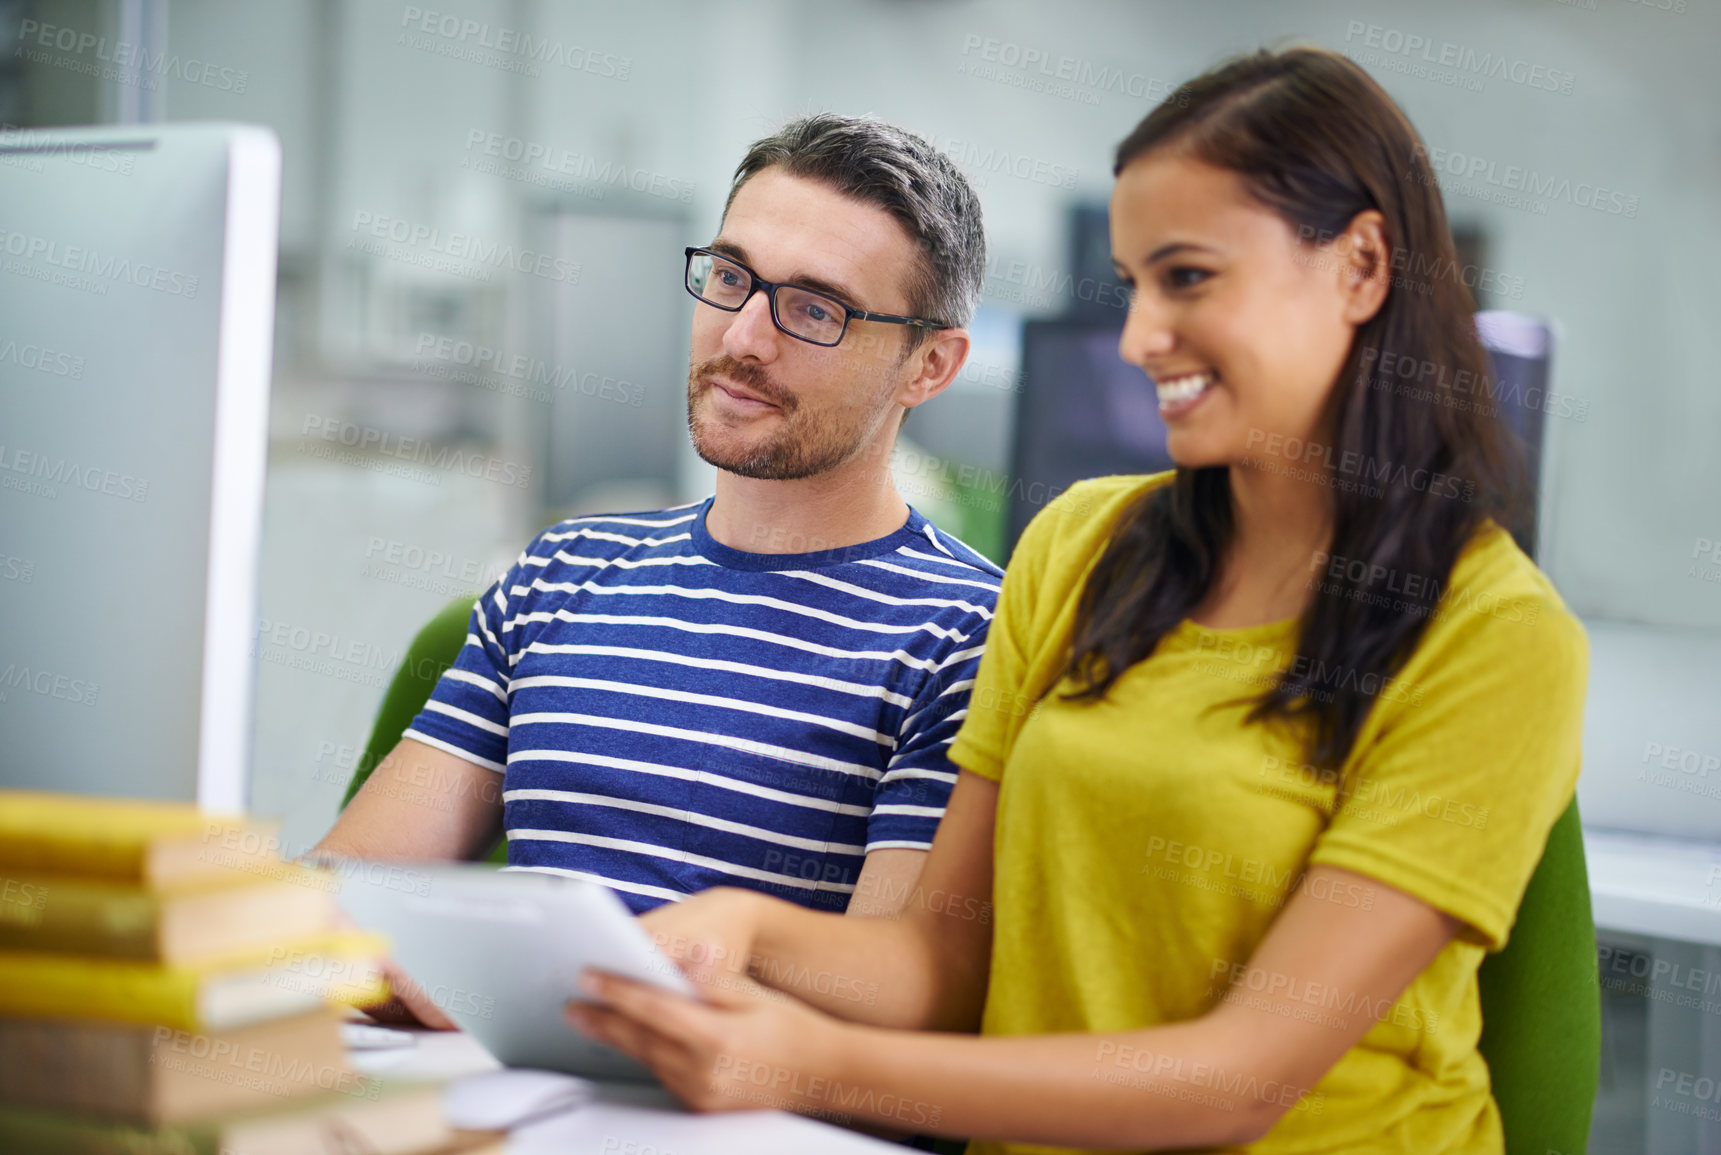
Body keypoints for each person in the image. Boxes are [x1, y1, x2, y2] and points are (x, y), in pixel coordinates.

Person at [569, 47, 1589, 1155]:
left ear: (1360, 265)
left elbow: (1239, 1083)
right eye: (1135, 284)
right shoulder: (1082, 545)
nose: (1142, 337)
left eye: (1189, 278)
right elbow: (946, 965)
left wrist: (809, 1062)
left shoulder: (1496, 634)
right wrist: (747, 931)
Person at [311, 114, 1004, 1025]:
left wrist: (518, 989)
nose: (744, 338)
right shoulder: (561, 574)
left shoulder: (964, 635)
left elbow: (885, 1006)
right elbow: (344, 900)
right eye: (729, 277)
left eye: (815, 308)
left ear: (930, 365)